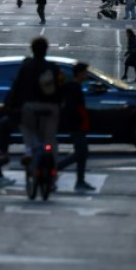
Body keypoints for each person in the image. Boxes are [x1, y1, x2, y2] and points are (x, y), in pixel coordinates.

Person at [8, 38, 62, 168]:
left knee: (28, 130)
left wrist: (13, 106)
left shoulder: (26, 67)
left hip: (30, 107)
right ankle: (52, 175)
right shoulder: (53, 67)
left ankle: (29, 151)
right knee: (50, 140)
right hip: (50, 107)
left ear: (32, 50)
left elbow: (17, 88)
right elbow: (61, 88)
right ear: (46, 50)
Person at [58, 63, 95, 192]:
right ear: (79, 73)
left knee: (82, 153)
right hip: (76, 125)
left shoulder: (73, 86)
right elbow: (74, 108)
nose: (86, 75)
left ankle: (80, 180)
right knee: (81, 153)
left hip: (76, 124)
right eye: (84, 72)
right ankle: (56, 168)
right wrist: (80, 122)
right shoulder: (74, 87)